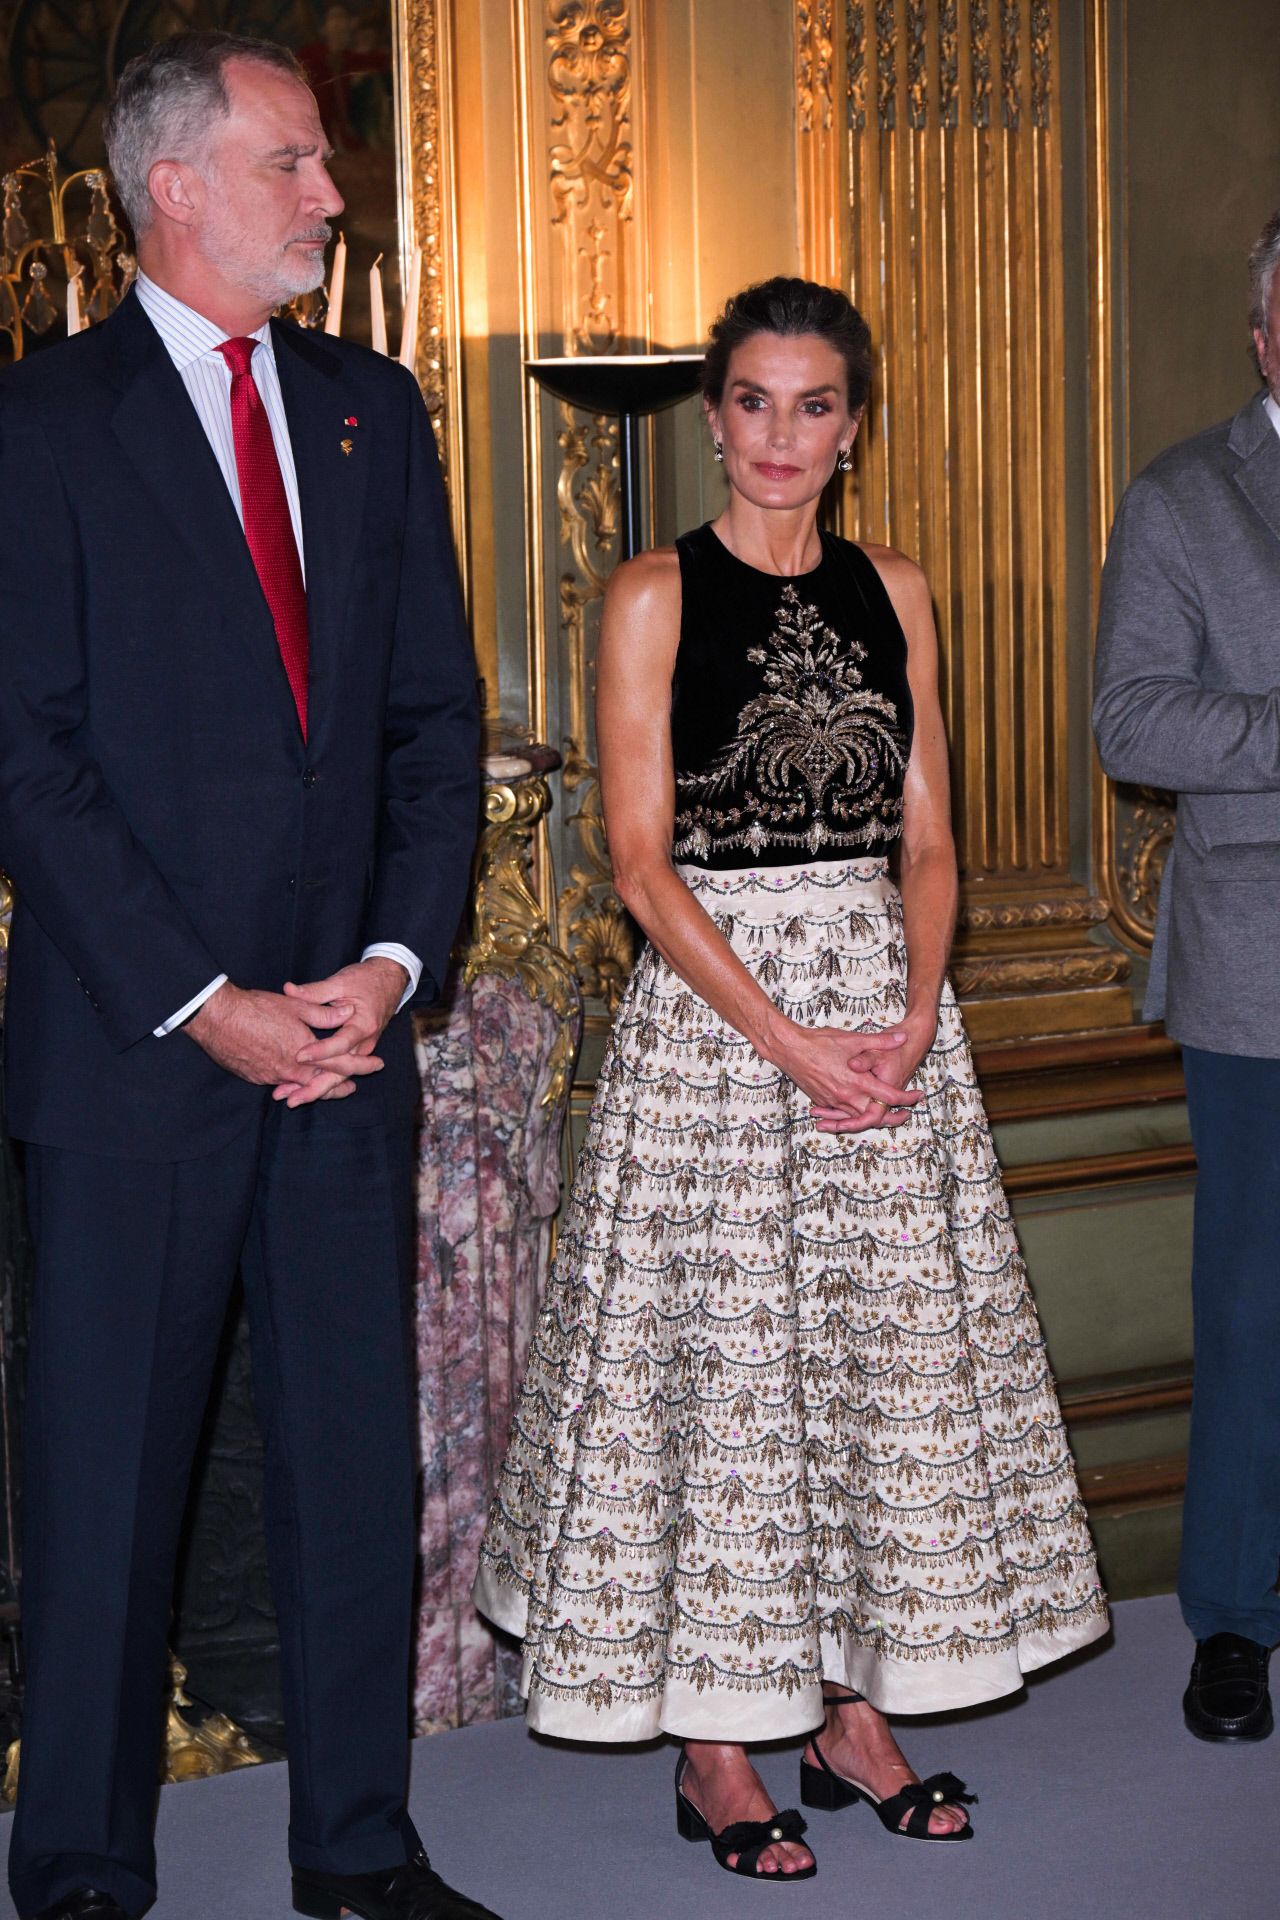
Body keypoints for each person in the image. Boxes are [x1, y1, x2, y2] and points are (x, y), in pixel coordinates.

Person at [474, 276, 1108, 1883]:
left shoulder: (897, 587)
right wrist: (796, 1042)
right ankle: (710, 1743)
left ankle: (847, 1710)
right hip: (717, 1030)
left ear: (853, 423)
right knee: (727, 1378)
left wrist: (907, 1014)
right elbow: (633, 861)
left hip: (885, 1024)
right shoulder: (647, 596)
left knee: (864, 1376)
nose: (781, 435)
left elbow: (934, 837)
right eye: (753, 401)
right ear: (714, 416)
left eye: (814, 404)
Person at [0, 33, 493, 1920]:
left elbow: (430, 726)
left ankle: (360, 1850)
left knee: (353, 1468)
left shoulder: (376, 413)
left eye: (326, 163)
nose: (330, 195)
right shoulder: (42, 425)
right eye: (293, 161)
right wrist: (205, 999)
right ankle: (81, 1879)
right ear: (176, 185)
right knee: (107, 1491)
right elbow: (25, 760)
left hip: (348, 1048)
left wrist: (386, 964)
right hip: (137, 1063)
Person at [1093, 210, 1280, 1750]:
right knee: (1256, 1308)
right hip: (1261, 984)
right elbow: (1134, 722)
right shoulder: (1184, 499)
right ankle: (1232, 1624)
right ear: (1264, 327)